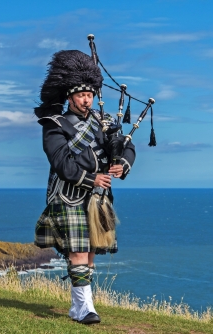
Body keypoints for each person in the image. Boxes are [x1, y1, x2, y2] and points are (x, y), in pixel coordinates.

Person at [33, 50, 136, 325]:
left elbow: (128, 147)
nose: (86, 99)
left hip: (98, 199)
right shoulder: (55, 125)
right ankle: (83, 308)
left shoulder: (103, 125)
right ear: (69, 97)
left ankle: (81, 306)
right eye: (80, 94)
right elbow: (61, 163)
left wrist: (122, 164)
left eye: (90, 94)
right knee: (78, 251)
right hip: (69, 196)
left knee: (90, 253)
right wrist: (93, 176)